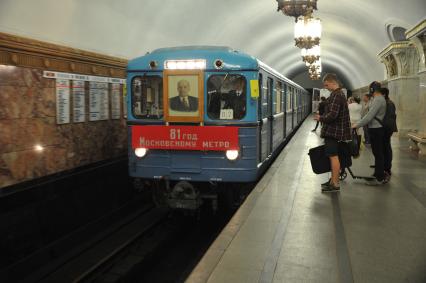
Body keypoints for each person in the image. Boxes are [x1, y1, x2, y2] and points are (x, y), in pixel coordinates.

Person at [314, 73, 351, 192]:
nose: (326, 87)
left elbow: (332, 115)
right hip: (335, 131)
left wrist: (320, 118)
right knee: (332, 156)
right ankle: (332, 181)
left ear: (333, 82)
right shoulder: (339, 94)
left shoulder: (336, 95)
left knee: (333, 156)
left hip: (333, 132)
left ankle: (335, 184)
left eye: (326, 85)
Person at [352, 82, 387, 185]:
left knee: (378, 153)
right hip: (374, 128)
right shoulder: (375, 99)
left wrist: (357, 125)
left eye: (370, 89)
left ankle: (379, 177)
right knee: (376, 153)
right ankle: (377, 174)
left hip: (377, 129)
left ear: (372, 89)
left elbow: (369, 115)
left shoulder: (379, 99)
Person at [381, 87, 397, 181]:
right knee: (385, 147)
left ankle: (387, 168)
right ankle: (385, 166)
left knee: (386, 147)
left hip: (387, 128)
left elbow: (389, 118)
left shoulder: (388, 103)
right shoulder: (388, 102)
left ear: (383, 94)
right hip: (387, 127)